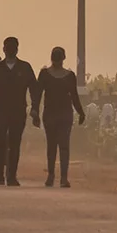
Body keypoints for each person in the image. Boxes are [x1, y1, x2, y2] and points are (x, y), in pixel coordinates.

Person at [0, 36, 37, 186]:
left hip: (18, 111)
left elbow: (34, 88)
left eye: (13, 47)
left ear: (17, 49)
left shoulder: (25, 68)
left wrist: (34, 107)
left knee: (15, 144)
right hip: (0, 112)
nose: (10, 50)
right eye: (8, 47)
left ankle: (12, 176)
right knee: (0, 143)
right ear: (4, 49)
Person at [32, 45, 85, 188]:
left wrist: (35, 111)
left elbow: (37, 95)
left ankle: (51, 176)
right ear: (64, 58)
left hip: (51, 114)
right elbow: (74, 97)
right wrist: (80, 112)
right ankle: (63, 178)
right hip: (64, 114)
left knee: (52, 146)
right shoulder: (69, 76)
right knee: (64, 146)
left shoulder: (45, 74)